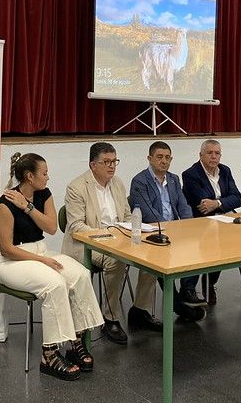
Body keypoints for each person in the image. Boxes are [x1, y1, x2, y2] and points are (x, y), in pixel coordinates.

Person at [0, 153, 104, 381]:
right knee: (55, 284)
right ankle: (49, 354)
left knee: (81, 275)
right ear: (29, 176)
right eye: (44, 173)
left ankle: (75, 341)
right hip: (12, 261)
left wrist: (28, 207)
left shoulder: (44, 194)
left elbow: (51, 228)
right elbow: (7, 249)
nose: (48, 177)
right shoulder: (4, 204)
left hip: (41, 251)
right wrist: (42, 261)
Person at [62, 142, 160, 345]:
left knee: (152, 254)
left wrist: (133, 230)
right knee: (116, 260)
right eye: (106, 162)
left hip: (118, 239)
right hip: (87, 245)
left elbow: (127, 216)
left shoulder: (118, 184)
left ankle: (140, 310)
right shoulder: (77, 187)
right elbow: (76, 227)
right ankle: (110, 318)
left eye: (115, 161)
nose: (112, 166)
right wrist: (107, 235)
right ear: (92, 165)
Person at [129, 141, 206, 322]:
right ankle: (176, 304)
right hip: (152, 234)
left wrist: (188, 226)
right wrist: (172, 230)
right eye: (159, 157)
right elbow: (148, 213)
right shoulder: (139, 181)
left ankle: (187, 291)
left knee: (198, 246)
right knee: (159, 258)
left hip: (175, 231)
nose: (164, 161)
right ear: (149, 158)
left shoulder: (173, 179)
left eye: (167, 158)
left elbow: (183, 205)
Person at [181, 139, 241, 305]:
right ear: (201, 155)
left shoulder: (225, 170)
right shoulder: (190, 174)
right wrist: (224, 202)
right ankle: (188, 288)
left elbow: (238, 198)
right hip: (199, 222)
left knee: (233, 240)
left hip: (224, 219)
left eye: (217, 153)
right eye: (209, 153)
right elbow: (202, 204)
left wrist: (217, 203)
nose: (214, 157)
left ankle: (209, 282)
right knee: (211, 240)